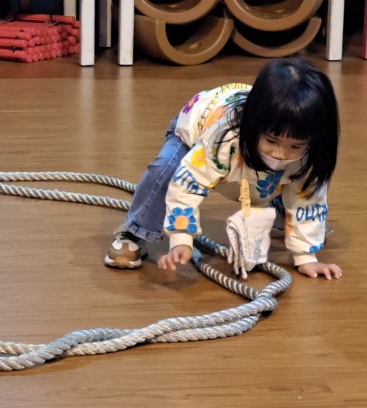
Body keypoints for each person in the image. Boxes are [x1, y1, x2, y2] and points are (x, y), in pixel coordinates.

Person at [105, 57, 342, 280]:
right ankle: (134, 230)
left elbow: (308, 200)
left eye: (295, 145)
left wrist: (306, 256)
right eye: (272, 140)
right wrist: (181, 239)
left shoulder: (311, 153)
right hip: (195, 131)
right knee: (165, 170)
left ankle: (282, 214)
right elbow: (188, 183)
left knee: (290, 182)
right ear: (254, 125)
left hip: (255, 163)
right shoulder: (225, 139)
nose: (280, 153)